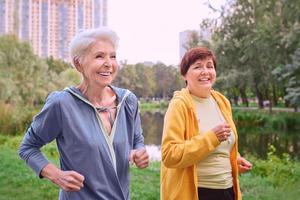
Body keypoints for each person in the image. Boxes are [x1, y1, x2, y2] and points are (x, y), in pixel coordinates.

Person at [19, 27, 149, 200]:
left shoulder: (128, 100)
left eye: (113, 56)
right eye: (99, 56)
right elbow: (28, 147)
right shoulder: (62, 104)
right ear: (79, 63)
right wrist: (57, 175)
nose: (109, 63)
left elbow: (137, 140)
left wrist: (139, 152)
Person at [160, 47, 252, 200]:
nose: (205, 71)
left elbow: (222, 146)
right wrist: (211, 138)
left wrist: (234, 160)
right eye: (198, 66)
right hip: (197, 192)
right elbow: (170, 155)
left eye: (210, 66)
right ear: (185, 74)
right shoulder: (179, 105)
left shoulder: (222, 101)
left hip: (228, 191)